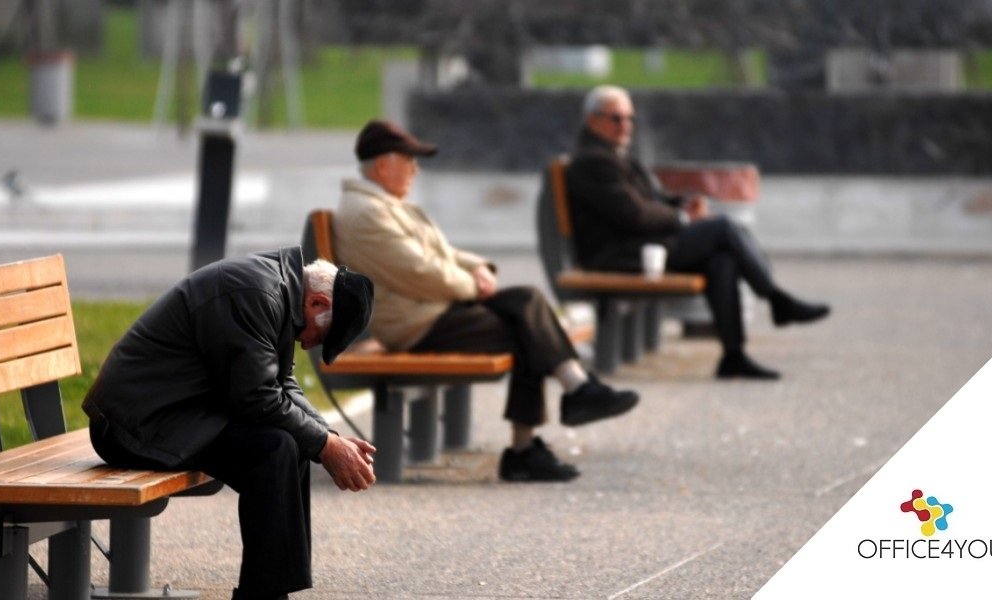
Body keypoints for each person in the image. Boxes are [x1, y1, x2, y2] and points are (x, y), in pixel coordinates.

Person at [332, 119, 640, 483]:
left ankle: (570, 399)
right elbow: (419, 271)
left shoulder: (382, 205)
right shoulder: (367, 213)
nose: (415, 168)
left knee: (527, 303)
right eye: (409, 159)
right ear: (383, 165)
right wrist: (473, 287)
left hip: (433, 310)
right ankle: (538, 434)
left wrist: (478, 267)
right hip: (416, 324)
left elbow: (443, 254)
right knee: (528, 329)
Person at [82, 248, 376, 600]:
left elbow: (280, 383)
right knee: (275, 448)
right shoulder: (254, 295)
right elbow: (257, 399)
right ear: (315, 303)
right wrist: (326, 446)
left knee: (291, 442)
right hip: (132, 426)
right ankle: (264, 595)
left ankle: (270, 592)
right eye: (321, 337)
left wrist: (328, 438)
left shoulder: (278, 289)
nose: (308, 342)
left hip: (178, 415)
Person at [566, 85, 830, 380]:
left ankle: (734, 356)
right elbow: (633, 215)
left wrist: (682, 203)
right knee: (724, 228)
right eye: (616, 118)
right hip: (620, 255)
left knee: (722, 261)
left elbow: (649, 200)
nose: (625, 126)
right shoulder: (593, 161)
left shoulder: (610, 155)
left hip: (641, 246)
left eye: (629, 119)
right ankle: (776, 299)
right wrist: (681, 217)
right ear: (592, 120)